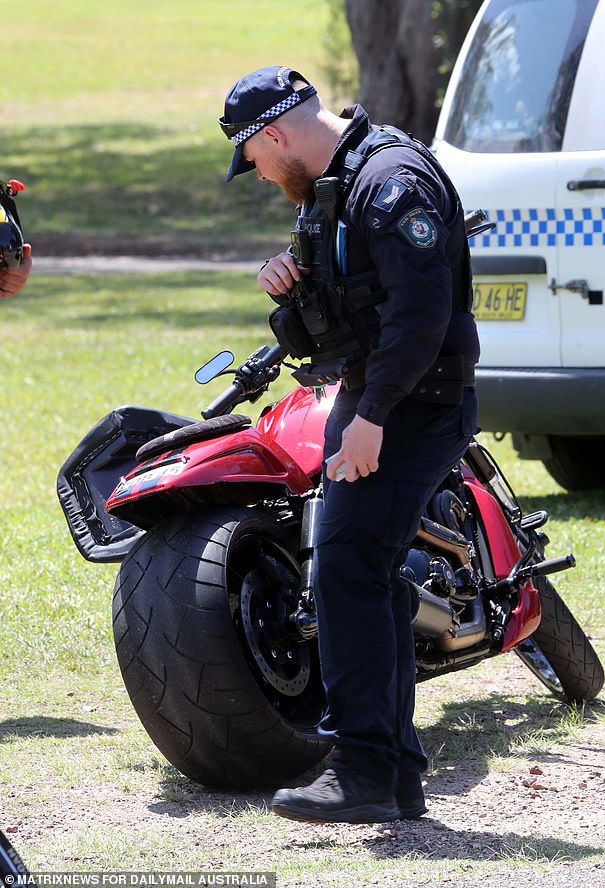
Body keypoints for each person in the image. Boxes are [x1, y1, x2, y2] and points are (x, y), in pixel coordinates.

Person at [219, 66, 480, 824]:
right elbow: (356, 296)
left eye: (257, 161)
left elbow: (421, 314)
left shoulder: (390, 180)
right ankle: (393, 776)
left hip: (407, 409)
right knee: (365, 576)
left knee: (346, 573)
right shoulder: (338, 182)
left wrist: (373, 420)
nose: (263, 177)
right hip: (374, 400)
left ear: (274, 133)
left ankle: (364, 768)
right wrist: (289, 282)